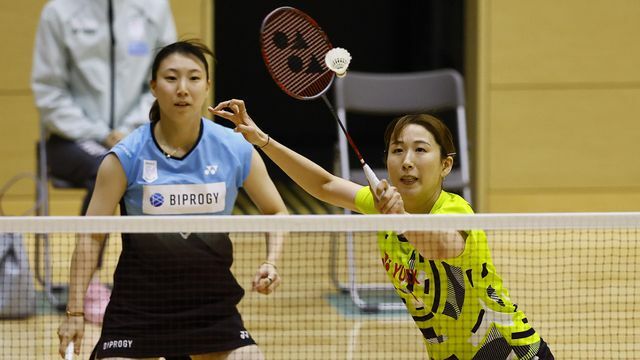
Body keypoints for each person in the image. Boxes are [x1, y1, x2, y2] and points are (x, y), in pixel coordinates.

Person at [210, 102, 555, 360]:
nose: (407, 160)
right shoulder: (382, 206)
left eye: (420, 150)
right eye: (397, 150)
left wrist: (400, 218)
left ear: (446, 164)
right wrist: (263, 140)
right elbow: (326, 184)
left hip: (513, 352)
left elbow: (442, 244)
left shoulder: (454, 210)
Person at [56, 40, 288, 360]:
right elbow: (92, 236)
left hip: (212, 308)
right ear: (153, 86)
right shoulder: (126, 156)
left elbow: (276, 211)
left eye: (193, 78)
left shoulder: (235, 149)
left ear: (207, 86)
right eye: (170, 78)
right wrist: (74, 313)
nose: (182, 88)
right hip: (137, 310)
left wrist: (272, 260)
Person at [31, 0, 178, 324]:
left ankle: (154, 277)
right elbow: (49, 91)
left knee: (161, 168)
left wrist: (128, 130)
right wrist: (102, 133)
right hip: (73, 137)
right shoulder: (59, 12)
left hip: (136, 131)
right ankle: (87, 283)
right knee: (109, 167)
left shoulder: (153, 8)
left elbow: (167, 76)